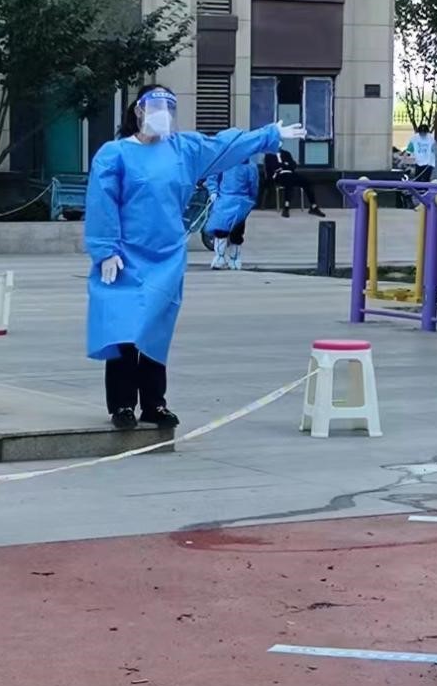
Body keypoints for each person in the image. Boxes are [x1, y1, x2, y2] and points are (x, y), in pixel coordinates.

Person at [85, 86, 300, 430]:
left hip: (166, 256)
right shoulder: (116, 154)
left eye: (169, 106)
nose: (163, 112)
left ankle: (154, 404)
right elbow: (102, 201)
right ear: (138, 111)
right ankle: (122, 404)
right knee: (124, 326)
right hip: (125, 255)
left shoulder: (183, 150)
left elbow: (224, 146)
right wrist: (105, 249)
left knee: (156, 328)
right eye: (156, 105)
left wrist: (268, 134)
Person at [204, 155, 260, 271]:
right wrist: (213, 191)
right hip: (229, 200)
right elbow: (253, 186)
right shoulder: (227, 162)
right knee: (225, 230)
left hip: (235, 201)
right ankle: (224, 258)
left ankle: (230, 259)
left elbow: (253, 185)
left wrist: (214, 191)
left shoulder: (248, 166)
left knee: (233, 230)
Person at [273, 147, 325, 218]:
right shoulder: (269, 155)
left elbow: (293, 165)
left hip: (291, 174)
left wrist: (283, 165)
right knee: (288, 182)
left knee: (307, 182)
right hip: (279, 176)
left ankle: (313, 207)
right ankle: (286, 207)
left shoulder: (286, 153)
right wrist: (285, 165)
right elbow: (272, 168)